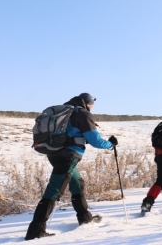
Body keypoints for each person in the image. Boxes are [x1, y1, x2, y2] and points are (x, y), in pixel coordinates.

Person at [25, 93, 117, 241]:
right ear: (87, 103)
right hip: (69, 156)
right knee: (53, 191)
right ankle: (35, 231)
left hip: (54, 154)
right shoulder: (81, 113)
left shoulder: (65, 112)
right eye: (92, 103)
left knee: (77, 183)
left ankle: (85, 218)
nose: (92, 106)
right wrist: (111, 144)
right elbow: (95, 140)